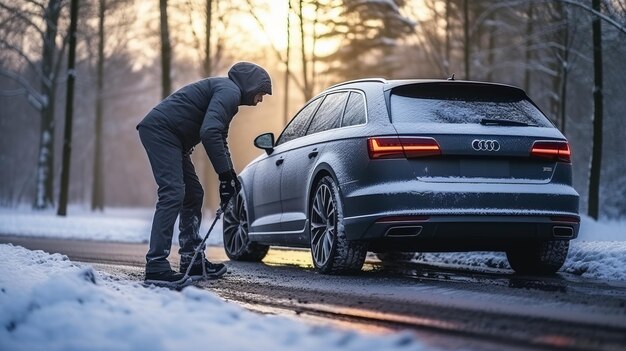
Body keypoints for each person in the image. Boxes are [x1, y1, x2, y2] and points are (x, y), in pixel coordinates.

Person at [137, 62, 272, 288]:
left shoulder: (227, 93)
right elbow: (209, 132)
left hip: (173, 139)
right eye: (261, 92)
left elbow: (219, 136)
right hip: (161, 131)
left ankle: (193, 258)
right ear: (250, 85)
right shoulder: (229, 91)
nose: (260, 100)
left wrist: (229, 175)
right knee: (173, 192)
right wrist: (224, 174)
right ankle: (156, 266)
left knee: (193, 194)